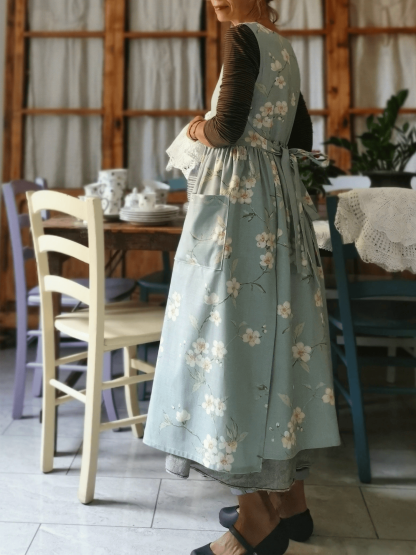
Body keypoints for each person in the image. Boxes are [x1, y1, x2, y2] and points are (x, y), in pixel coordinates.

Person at [143, 1, 341, 553]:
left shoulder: (241, 37)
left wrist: (195, 127)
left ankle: (256, 522)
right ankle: (291, 504)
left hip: (236, 209)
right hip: (278, 203)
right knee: (277, 342)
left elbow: (227, 129)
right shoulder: (282, 45)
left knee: (225, 345)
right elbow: (299, 133)